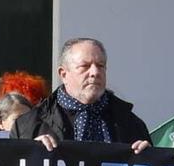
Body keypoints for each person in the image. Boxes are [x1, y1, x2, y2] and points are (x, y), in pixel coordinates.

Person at [14, 38, 151, 149]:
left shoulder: (131, 124)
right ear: (63, 74)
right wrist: (29, 153)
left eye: (100, 65)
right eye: (84, 66)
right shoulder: (27, 126)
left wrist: (149, 158)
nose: (95, 72)